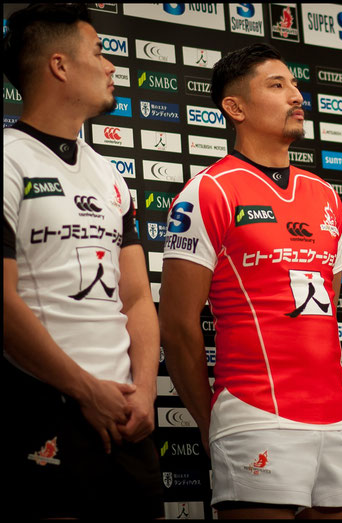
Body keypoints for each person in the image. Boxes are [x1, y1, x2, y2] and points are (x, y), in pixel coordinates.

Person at [158, 43, 342, 519]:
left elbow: (327, 306)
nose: (296, 95)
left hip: (336, 416)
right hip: (254, 413)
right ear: (235, 108)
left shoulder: (327, 196)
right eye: (277, 85)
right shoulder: (210, 190)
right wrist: (213, 426)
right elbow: (178, 327)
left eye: (294, 84)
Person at [2, 4, 162, 518]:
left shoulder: (111, 175)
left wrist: (143, 394)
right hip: (42, 407)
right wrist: (84, 389)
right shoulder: (8, 158)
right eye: (98, 51)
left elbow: (136, 296)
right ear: (59, 65)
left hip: (125, 415)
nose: (112, 66)